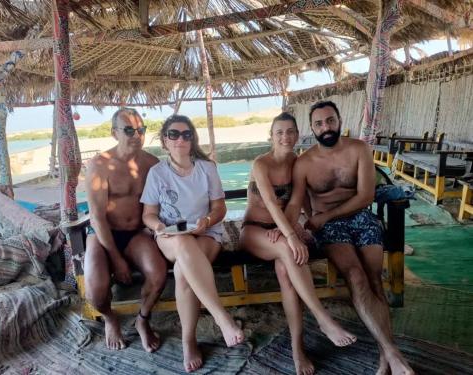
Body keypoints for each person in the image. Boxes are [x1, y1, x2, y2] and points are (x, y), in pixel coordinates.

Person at [287, 101, 414, 375]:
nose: (326, 127)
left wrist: (326, 215)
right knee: (356, 276)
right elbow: (296, 202)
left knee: (375, 279)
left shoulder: (359, 149)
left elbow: (366, 196)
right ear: (312, 128)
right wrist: (286, 229)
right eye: (319, 123)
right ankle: (393, 354)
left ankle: (385, 356)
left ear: (340, 120)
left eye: (330, 121)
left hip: (360, 217)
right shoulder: (304, 163)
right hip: (328, 228)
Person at [240, 112, 356, 375]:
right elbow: (270, 202)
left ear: (297, 134)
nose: (285, 137)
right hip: (255, 230)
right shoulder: (262, 164)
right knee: (286, 248)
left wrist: (302, 226)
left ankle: (297, 348)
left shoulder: (298, 162)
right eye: (279, 132)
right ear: (271, 136)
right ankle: (323, 320)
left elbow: (298, 202)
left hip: (282, 229)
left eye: (290, 131)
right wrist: (290, 235)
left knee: (286, 273)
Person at [141, 114, 244, 373]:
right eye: (173, 134)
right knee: (184, 245)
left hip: (207, 233)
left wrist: (207, 221)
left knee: (182, 272)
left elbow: (220, 208)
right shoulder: (157, 173)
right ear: (165, 140)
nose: (180, 139)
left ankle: (188, 341)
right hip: (171, 237)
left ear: (192, 138)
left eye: (186, 134)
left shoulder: (207, 168)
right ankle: (221, 317)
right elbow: (148, 215)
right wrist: (159, 227)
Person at [84, 108, 167, 352]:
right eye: (129, 130)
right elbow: (97, 218)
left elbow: (161, 205)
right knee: (96, 294)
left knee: (158, 275)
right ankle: (111, 318)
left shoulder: (152, 164)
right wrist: (116, 260)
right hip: (103, 234)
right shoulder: (100, 166)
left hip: (135, 234)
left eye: (141, 130)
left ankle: (143, 319)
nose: (136, 135)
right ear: (114, 133)